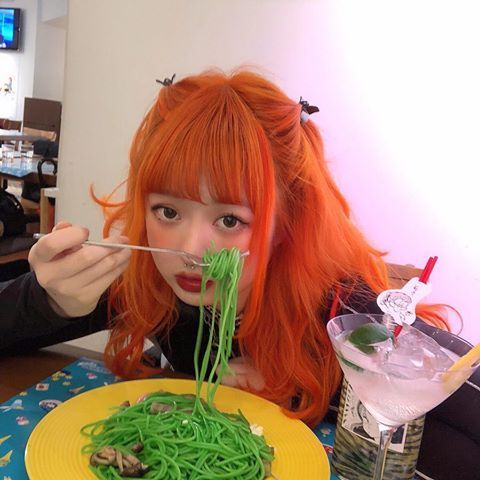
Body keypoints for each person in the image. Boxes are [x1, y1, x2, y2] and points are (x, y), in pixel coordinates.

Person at [0, 72, 477, 477]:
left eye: (230, 221)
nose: (190, 252)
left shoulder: (346, 310)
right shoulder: (146, 279)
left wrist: (319, 389)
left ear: (283, 226)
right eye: (167, 211)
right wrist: (49, 301)